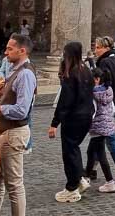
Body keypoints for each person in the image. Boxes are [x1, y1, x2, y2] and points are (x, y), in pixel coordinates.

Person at [0, 33, 36, 216]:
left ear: (22, 50)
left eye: (10, 49)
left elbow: (21, 110)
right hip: (4, 133)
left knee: (14, 185)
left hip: (14, 134)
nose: (5, 52)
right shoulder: (14, 72)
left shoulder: (26, 74)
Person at [49, 41, 94, 203]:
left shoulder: (71, 73)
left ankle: (72, 188)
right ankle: (79, 179)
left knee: (69, 152)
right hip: (87, 116)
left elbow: (65, 101)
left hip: (73, 118)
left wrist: (55, 123)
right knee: (74, 149)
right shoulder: (87, 71)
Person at [88, 36, 115, 187]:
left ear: (106, 48)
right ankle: (91, 169)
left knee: (109, 139)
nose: (95, 50)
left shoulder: (105, 61)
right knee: (99, 138)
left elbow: (104, 82)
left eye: (98, 47)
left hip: (108, 103)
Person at [86, 66, 115, 193]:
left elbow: (91, 112)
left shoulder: (93, 93)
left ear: (96, 79)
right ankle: (86, 178)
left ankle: (110, 182)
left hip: (98, 127)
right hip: (107, 126)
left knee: (101, 155)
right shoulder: (108, 90)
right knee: (91, 152)